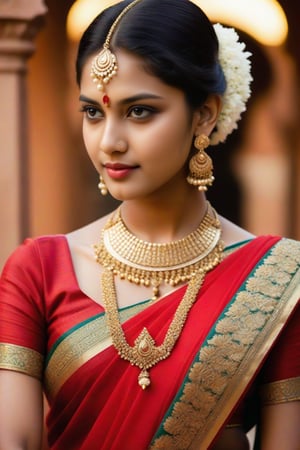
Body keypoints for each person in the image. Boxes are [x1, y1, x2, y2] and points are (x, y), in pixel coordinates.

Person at [0, 0, 299, 449]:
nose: (110, 142)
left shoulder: (277, 278)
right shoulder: (39, 271)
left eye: (139, 111)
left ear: (204, 114)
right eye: (94, 112)